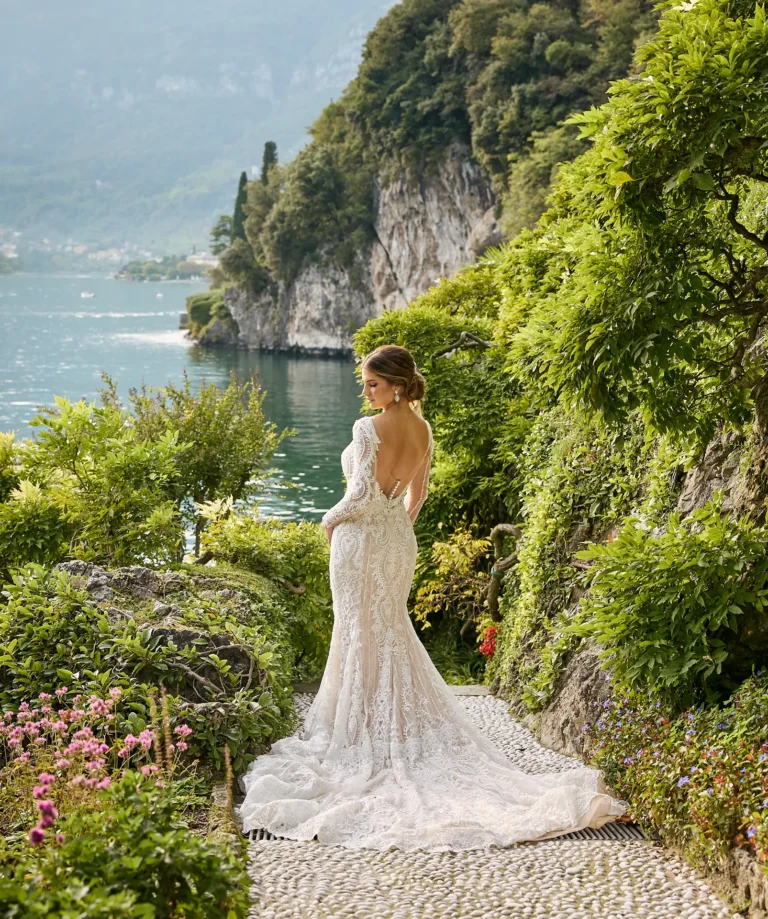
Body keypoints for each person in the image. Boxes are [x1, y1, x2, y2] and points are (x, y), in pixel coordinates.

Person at [237, 344, 625, 850]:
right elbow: (416, 497)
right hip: (397, 539)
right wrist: (394, 528)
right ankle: (383, 723)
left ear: (396, 385)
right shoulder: (424, 431)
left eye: (372, 384)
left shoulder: (365, 429)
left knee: (358, 629)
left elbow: (356, 498)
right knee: (388, 628)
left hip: (359, 541)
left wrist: (329, 522)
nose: (365, 391)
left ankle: (360, 731)